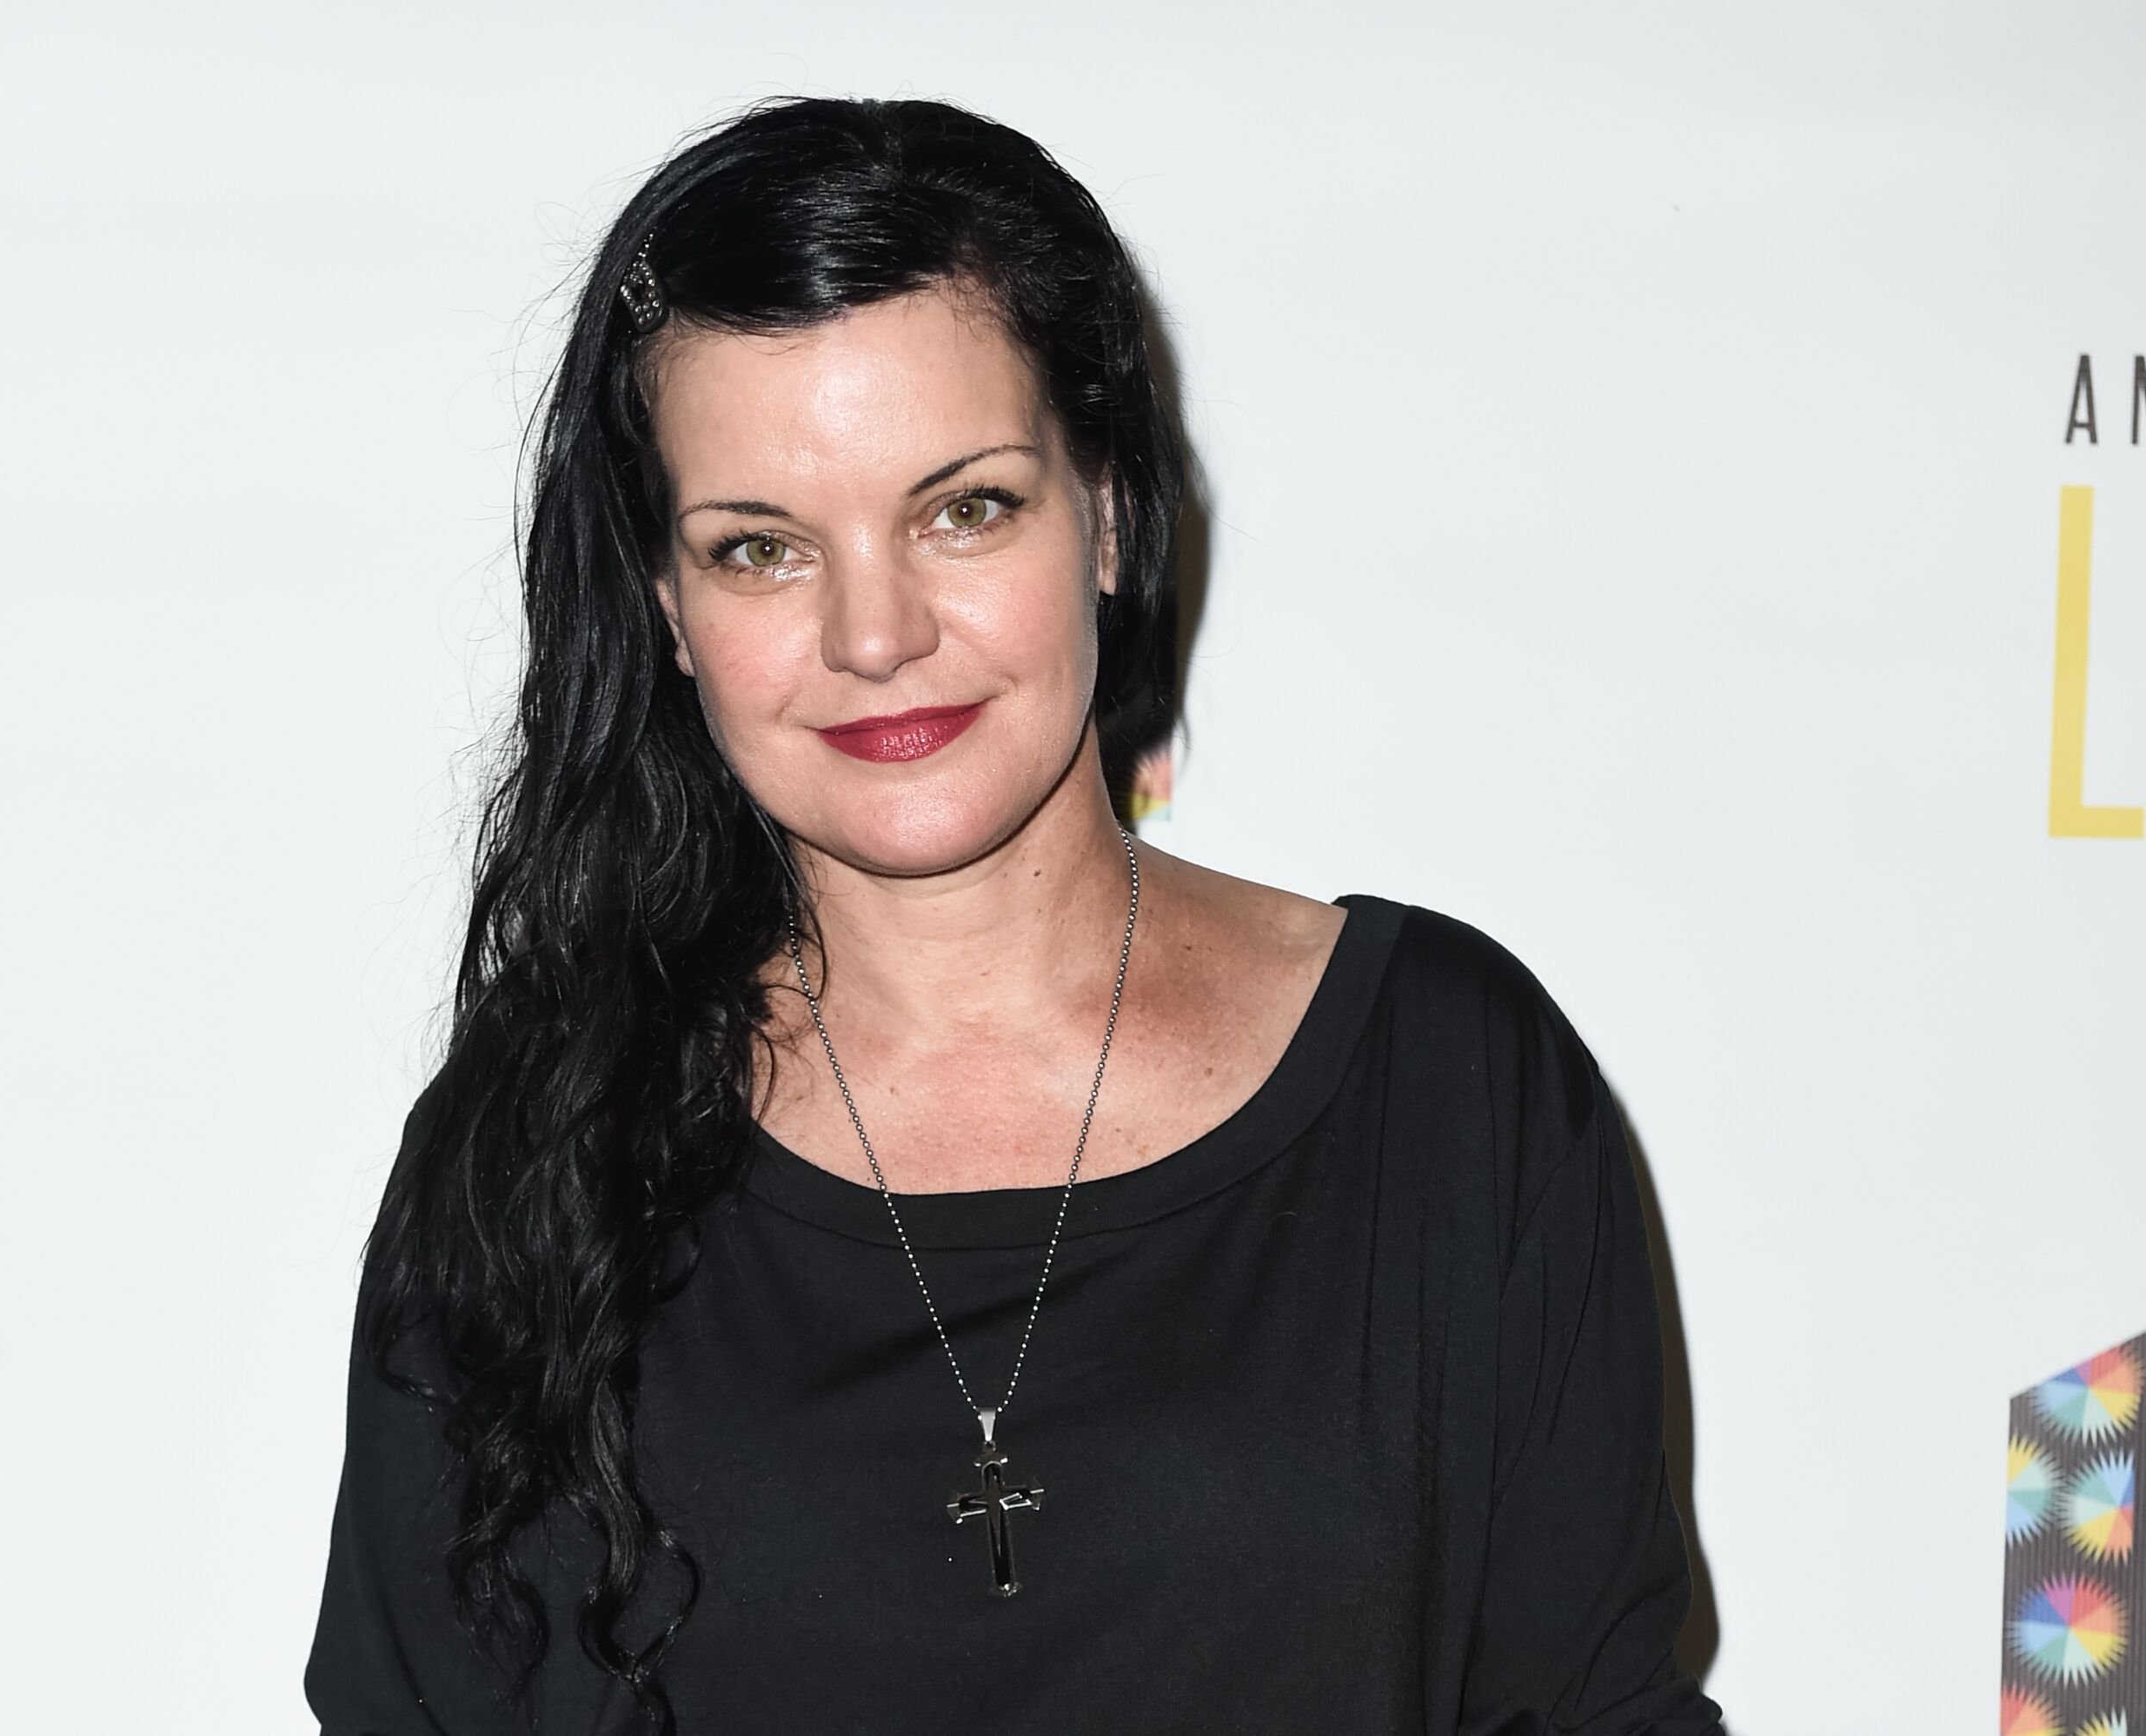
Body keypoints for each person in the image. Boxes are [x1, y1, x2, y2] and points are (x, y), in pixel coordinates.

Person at [305, 96, 1724, 1735]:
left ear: (1108, 510)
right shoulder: (535, 1152)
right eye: (761, 547)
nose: (875, 632)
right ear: (666, 610)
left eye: (963, 506)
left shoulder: (1454, 1086)